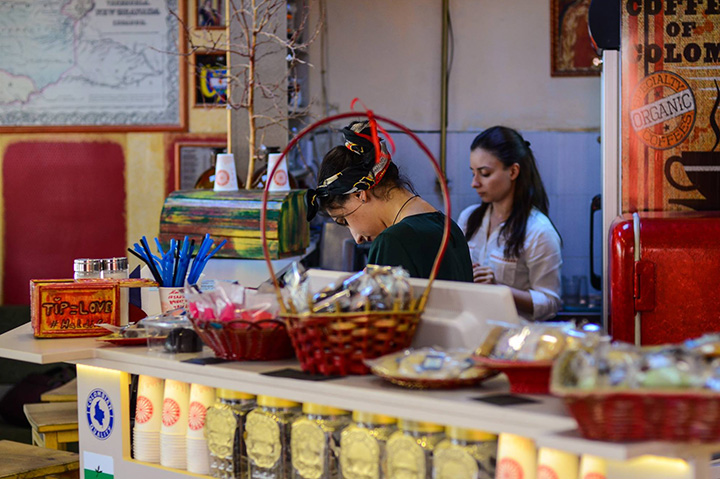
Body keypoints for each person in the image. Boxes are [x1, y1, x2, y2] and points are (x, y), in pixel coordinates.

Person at [306, 121, 473, 282]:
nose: (357, 238)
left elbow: (378, 311)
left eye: (344, 220)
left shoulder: (392, 241)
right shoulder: (448, 226)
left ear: (359, 194)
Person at [458, 126, 562, 321]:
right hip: (471, 331)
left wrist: (497, 289)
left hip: (515, 340)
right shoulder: (468, 219)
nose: (475, 183)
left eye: (485, 173)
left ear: (513, 171)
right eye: (473, 173)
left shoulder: (539, 231)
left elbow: (550, 303)